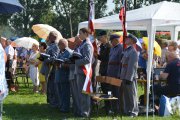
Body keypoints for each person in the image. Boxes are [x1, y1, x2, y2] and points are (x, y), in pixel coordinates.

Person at [75, 28, 94, 117]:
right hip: (80, 70)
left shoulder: (87, 44)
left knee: (85, 93)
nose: (79, 35)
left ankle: (85, 112)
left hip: (84, 71)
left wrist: (76, 62)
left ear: (86, 33)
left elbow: (87, 59)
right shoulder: (83, 44)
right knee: (81, 93)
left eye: (81, 33)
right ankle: (82, 111)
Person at [120, 34, 139, 117]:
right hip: (124, 75)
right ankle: (127, 110)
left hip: (130, 76)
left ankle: (134, 111)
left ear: (132, 40)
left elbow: (132, 66)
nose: (125, 39)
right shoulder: (127, 50)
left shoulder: (133, 51)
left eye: (127, 38)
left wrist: (129, 77)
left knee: (132, 94)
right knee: (126, 95)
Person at [40, 31, 60, 107]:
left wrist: (46, 59)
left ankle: (55, 102)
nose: (48, 37)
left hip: (52, 68)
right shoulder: (50, 44)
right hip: (48, 68)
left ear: (53, 37)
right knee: (50, 86)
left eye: (49, 36)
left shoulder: (56, 45)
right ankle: (51, 101)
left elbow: (54, 57)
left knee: (53, 86)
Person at [55, 38, 73, 112]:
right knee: (60, 92)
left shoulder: (69, 52)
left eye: (59, 45)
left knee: (65, 93)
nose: (58, 46)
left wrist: (62, 65)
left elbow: (70, 64)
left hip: (65, 76)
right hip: (59, 75)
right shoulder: (61, 52)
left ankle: (65, 108)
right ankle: (61, 106)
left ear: (63, 44)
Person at [107, 34, 123, 114]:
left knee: (116, 92)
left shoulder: (121, 48)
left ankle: (117, 109)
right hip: (110, 73)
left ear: (115, 40)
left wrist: (119, 74)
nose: (111, 42)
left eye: (112, 41)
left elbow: (121, 62)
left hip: (116, 73)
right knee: (111, 91)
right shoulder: (112, 48)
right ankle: (113, 108)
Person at [97, 30, 111, 114]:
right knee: (103, 89)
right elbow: (102, 58)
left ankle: (109, 107)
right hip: (103, 70)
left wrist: (98, 55)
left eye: (101, 37)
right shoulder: (102, 46)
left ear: (105, 37)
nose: (100, 39)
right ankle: (106, 105)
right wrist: (97, 55)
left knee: (108, 89)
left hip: (107, 71)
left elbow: (106, 58)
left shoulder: (109, 46)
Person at [68, 36, 82, 116]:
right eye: (74, 41)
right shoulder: (75, 49)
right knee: (74, 94)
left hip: (77, 72)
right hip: (73, 72)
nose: (75, 42)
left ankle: (79, 110)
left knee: (78, 94)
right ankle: (76, 109)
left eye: (76, 40)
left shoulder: (80, 48)